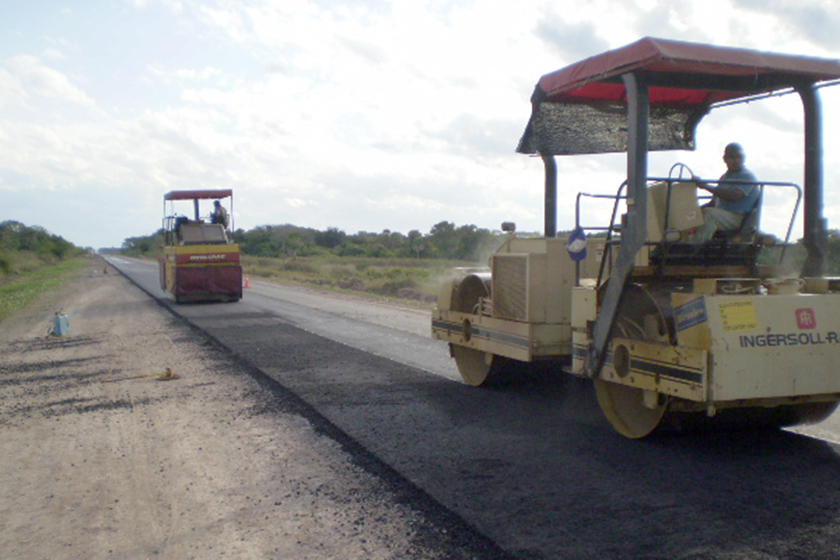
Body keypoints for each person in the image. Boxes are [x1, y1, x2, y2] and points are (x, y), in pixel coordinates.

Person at [689, 142, 760, 243]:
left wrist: (705, 186)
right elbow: (713, 203)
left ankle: (695, 249)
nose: (736, 160)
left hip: (737, 217)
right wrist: (695, 211)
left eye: (739, 157)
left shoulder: (747, 176)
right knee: (690, 216)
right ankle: (679, 242)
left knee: (710, 214)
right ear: (725, 159)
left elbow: (734, 195)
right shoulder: (724, 177)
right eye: (732, 157)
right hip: (723, 215)